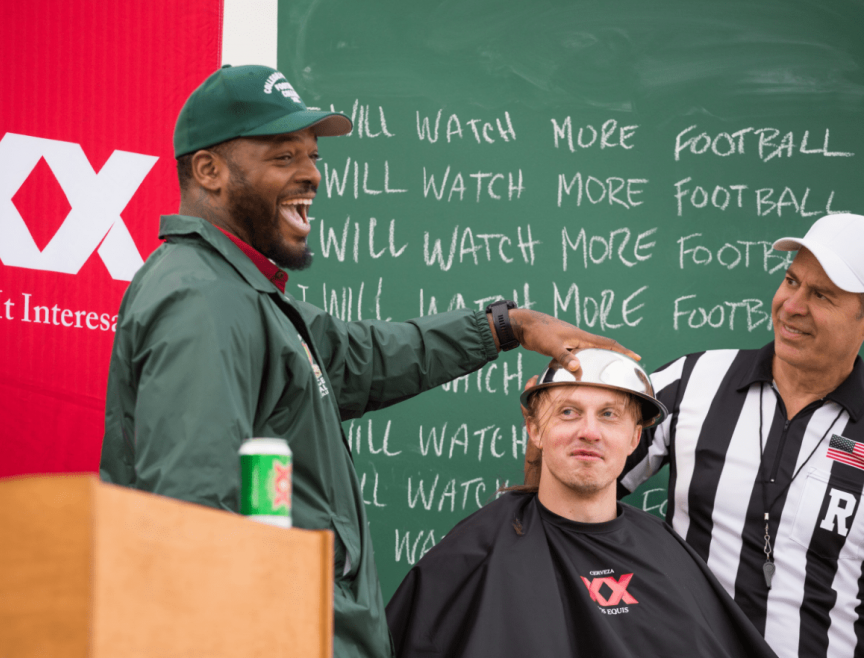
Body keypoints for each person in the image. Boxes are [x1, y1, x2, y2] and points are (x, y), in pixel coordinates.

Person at [99, 64, 635, 658]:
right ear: (209, 171)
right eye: (283, 157)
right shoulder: (203, 298)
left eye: (312, 156)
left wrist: (507, 325)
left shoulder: (245, 295)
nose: (311, 175)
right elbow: (193, 516)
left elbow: (360, 359)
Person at [386, 349, 777, 658]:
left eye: (609, 415)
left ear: (633, 437)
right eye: (569, 412)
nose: (589, 432)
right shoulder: (475, 553)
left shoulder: (667, 553)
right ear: (535, 430)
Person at [612, 213, 864, 658]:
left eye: (821, 295)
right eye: (791, 281)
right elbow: (577, 486)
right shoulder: (691, 381)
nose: (792, 305)